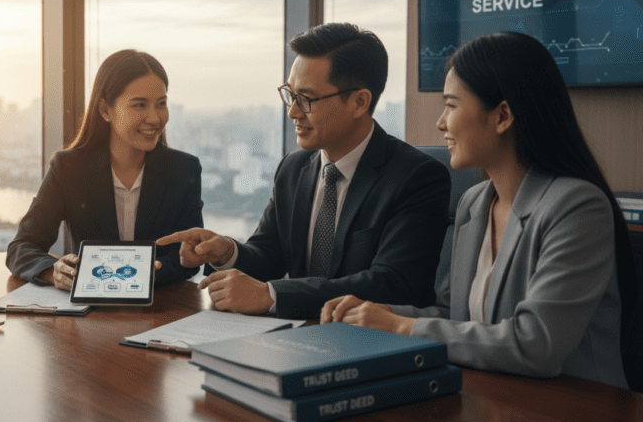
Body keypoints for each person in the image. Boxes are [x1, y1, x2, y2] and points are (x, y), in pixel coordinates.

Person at [321, 31, 636, 389]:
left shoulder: (577, 207)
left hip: (578, 419)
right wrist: (379, 314)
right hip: (500, 402)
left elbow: (536, 345)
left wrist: (401, 327)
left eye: (451, 106)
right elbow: (453, 317)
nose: (441, 123)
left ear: (502, 116)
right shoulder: (474, 202)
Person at [158, 23, 450, 319]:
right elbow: (268, 257)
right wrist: (226, 252)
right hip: (295, 339)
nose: (293, 112)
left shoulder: (416, 177)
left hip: (369, 344)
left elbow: (392, 284)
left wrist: (272, 296)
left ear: (359, 102)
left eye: (306, 99)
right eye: (290, 94)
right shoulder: (293, 168)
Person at [6, 49, 204, 289]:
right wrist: (52, 270)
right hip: (88, 314)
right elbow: (22, 247)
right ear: (105, 110)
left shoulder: (184, 170)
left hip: (160, 308)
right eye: (139, 105)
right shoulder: (69, 168)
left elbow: (188, 257)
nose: (154, 118)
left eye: (161, 104)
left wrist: (149, 274)